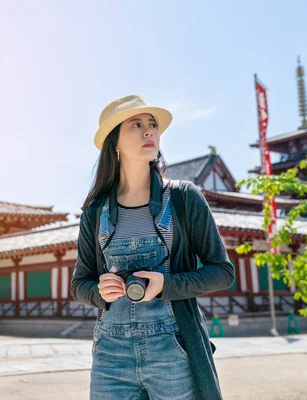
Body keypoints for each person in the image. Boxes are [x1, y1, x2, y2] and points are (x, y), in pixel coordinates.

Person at [71, 95, 235, 399]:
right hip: (111, 352)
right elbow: (80, 284)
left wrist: (166, 284)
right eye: (136, 125)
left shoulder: (184, 198)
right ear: (114, 143)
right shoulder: (95, 211)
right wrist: (99, 291)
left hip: (172, 347)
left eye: (153, 125)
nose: (150, 132)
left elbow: (223, 272)